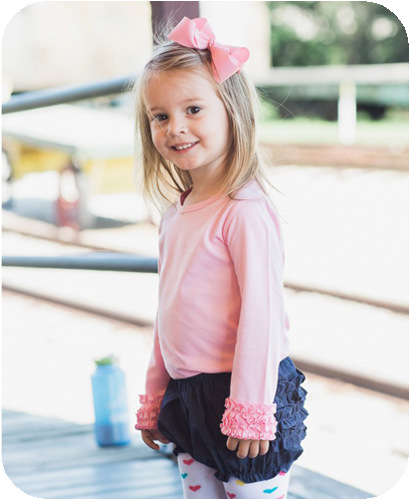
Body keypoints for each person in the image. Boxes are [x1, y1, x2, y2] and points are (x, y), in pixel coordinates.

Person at [133, 16, 309, 500]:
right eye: (160, 115)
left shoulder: (244, 212)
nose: (175, 128)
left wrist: (250, 408)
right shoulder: (177, 213)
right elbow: (166, 316)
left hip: (244, 397)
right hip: (189, 400)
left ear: (230, 110)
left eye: (193, 108)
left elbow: (263, 315)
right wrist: (155, 397)